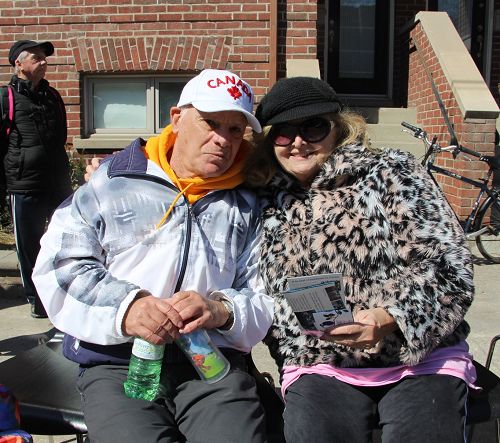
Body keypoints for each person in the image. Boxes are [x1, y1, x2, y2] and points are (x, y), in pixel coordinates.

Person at [32, 69, 274, 443]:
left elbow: (263, 291)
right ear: (177, 118)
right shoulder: (112, 183)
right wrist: (128, 308)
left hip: (210, 360)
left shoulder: (249, 203)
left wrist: (221, 311)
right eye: (210, 123)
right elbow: (60, 265)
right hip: (116, 361)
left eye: (235, 130)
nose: (222, 140)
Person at [244, 77, 475, 442]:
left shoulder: (392, 173)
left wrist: (390, 318)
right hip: (318, 364)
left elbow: (449, 267)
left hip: (419, 360)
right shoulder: (262, 197)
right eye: (284, 133)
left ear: (338, 128)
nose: (299, 142)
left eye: (313, 126)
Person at [0, 40, 72, 318]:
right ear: (19, 63)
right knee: (29, 246)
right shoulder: (5, 97)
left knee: (64, 242)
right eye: (36, 57)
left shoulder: (52, 95)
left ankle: (64, 292)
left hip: (57, 184)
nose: (43, 61)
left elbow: (61, 136)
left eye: (45, 57)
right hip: (24, 185)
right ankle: (37, 300)